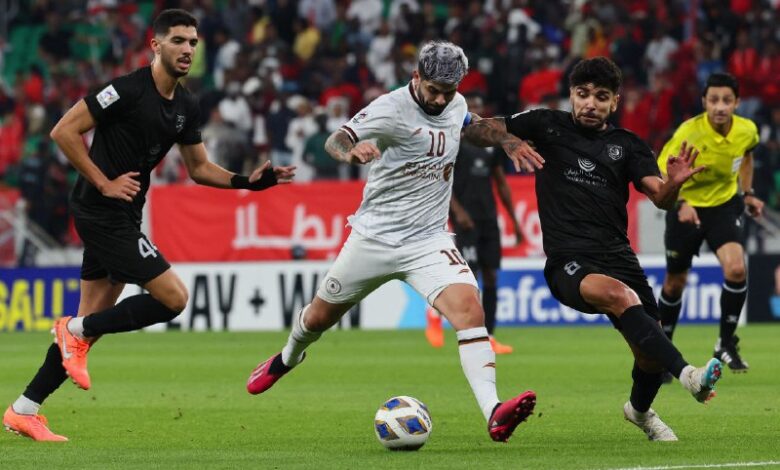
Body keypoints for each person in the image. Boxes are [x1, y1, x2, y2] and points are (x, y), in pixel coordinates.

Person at [2, 9, 295, 442]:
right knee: (173, 298)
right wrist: (103, 182)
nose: (187, 49)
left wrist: (247, 183)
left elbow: (198, 168)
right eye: (178, 40)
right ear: (155, 45)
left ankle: (24, 409)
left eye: (193, 42)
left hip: (125, 213)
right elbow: (63, 131)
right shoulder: (125, 90)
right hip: (100, 211)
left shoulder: (186, 106)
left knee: (91, 325)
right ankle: (72, 330)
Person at [245, 41, 544, 443]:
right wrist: (352, 152)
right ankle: (286, 358)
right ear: (416, 77)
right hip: (374, 238)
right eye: (433, 90)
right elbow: (336, 140)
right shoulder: (390, 108)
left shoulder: (453, 103)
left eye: (448, 91)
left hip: (428, 240)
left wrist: (506, 139)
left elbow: (468, 123)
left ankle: (494, 411)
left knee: (470, 310)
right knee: (317, 319)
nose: (440, 99)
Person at [465, 57, 723, 441]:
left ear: (614, 102)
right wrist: (508, 139)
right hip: (568, 260)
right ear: (571, 94)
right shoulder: (544, 123)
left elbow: (660, 197)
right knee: (620, 296)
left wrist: (674, 184)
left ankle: (639, 412)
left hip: (619, 257)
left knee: (649, 354)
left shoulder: (627, 145)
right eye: (583, 94)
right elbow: (474, 130)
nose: (590, 103)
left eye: (601, 97)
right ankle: (690, 376)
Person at [656, 72, 762, 376]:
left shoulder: (747, 130)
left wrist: (748, 192)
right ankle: (663, 353)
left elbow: (747, 155)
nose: (720, 107)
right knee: (675, 283)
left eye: (727, 100)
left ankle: (725, 344)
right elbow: (662, 170)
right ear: (704, 102)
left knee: (737, 269)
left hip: (723, 207)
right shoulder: (689, 132)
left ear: (737, 103)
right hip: (686, 207)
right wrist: (681, 202)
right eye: (714, 100)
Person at [425, 95, 523, 354]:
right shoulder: (453, 144)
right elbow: (441, 182)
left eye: (480, 108)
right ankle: (434, 314)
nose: (476, 114)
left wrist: (514, 221)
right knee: (468, 278)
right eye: (472, 109)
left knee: (491, 275)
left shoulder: (491, 146)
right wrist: (458, 213)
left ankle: (489, 336)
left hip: (488, 218)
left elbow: (501, 184)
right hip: (465, 220)